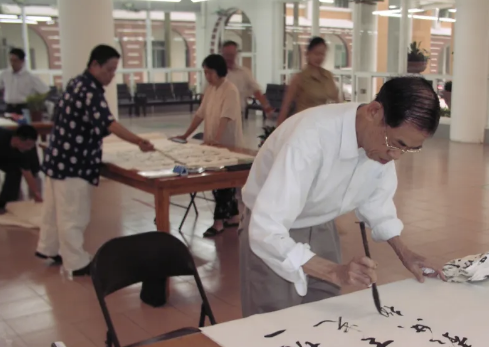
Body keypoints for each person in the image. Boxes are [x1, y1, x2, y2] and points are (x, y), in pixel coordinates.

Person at [240, 77, 446, 317]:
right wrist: (334, 271)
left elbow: (376, 202)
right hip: (272, 230)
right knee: (273, 318)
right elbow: (266, 230)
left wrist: (405, 253)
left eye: (408, 149)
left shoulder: (379, 144)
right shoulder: (310, 138)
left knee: (324, 311)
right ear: (374, 111)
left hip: (322, 225)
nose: (396, 156)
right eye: (396, 144)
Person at [36, 45, 154, 276]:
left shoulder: (76, 82)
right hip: (74, 163)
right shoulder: (91, 90)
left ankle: (49, 248)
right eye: (109, 70)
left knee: (54, 210)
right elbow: (109, 123)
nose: (111, 76)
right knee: (73, 214)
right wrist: (138, 141)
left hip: (58, 157)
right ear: (94, 65)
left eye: (114, 71)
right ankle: (76, 262)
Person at [173, 54, 244, 237]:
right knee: (221, 184)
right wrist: (185, 135)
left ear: (219, 71)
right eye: (205, 72)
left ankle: (218, 222)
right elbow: (200, 114)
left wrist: (217, 140)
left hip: (227, 144)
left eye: (209, 72)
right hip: (213, 144)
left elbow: (226, 117)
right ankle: (234, 216)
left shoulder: (230, 90)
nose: (207, 76)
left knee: (223, 183)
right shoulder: (211, 89)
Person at [276, 37, 340, 125]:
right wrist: (278, 130)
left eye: (322, 54)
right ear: (307, 54)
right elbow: (286, 107)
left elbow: (336, 100)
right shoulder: (299, 78)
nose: (319, 58)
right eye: (316, 53)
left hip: (324, 123)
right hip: (305, 124)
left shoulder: (328, 76)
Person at [221, 40, 273, 118]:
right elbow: (205, 94)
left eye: (231, 55)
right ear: (222, 54)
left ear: (236, 54)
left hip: (237, 114)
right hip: (218, 114)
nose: (229, 58)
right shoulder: (215, 73)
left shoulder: (244, 73)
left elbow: (256, 90)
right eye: (227, 55)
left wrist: (266, 107)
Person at [0, 125, 41, 214]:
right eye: (28, 145)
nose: (29, 148)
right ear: (17, 139)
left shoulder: (24, 151)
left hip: (8, 159)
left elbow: (27, 172)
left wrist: (36, 193)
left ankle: (5, 204)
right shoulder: (2, 137)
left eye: (31, 145)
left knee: (15, 172)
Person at [0, 48, 50, 114]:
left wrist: (35, 102)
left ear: (22, 61)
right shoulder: (5, 74)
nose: (12, 63)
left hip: (24, 107)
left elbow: (45, 91)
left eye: (15, 61)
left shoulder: (30, 77)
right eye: (11, 60)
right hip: (9, 107)